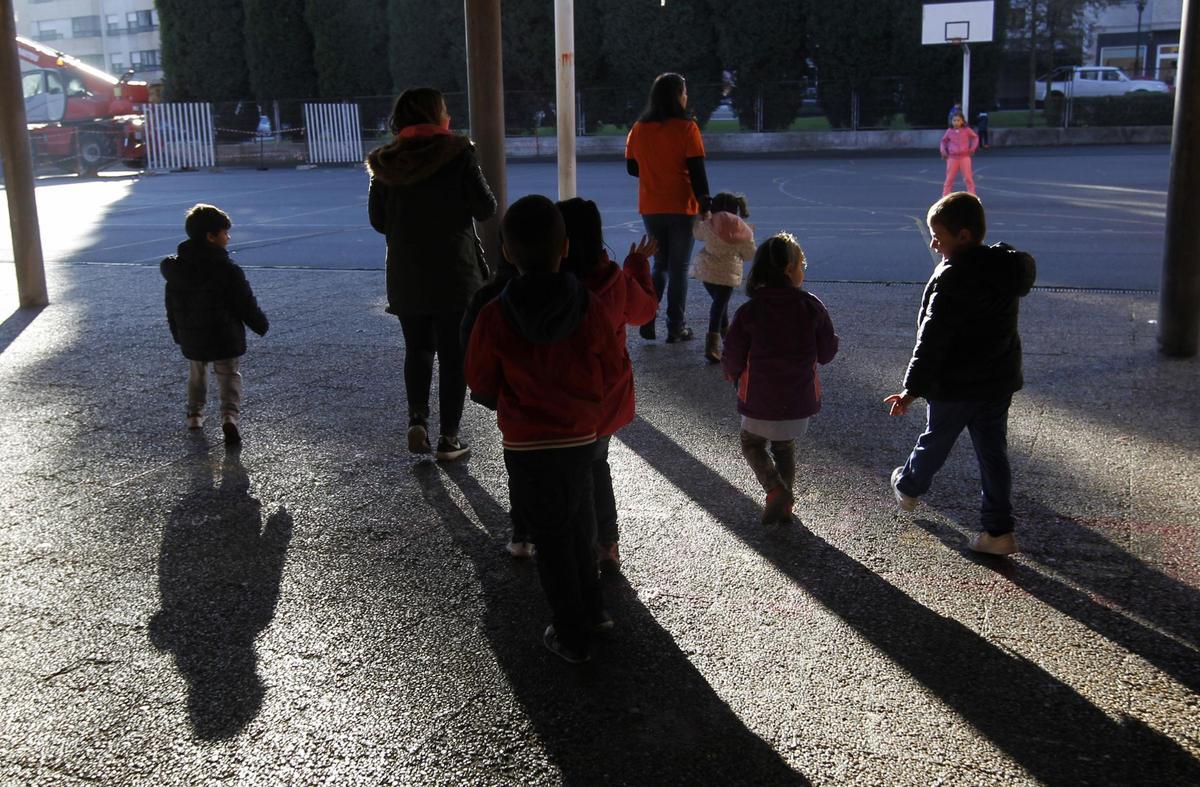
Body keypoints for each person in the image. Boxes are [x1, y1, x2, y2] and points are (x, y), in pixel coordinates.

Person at [465, 195, 624, 664]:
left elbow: (479, 377)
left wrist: (505, 401)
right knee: (578, 523)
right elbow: (612, 365)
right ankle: (594, 609)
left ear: (508, 253)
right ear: (565, 247)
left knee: (550, 537)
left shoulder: (495, 313)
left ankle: (572, 634)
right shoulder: (588, 305)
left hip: (526, 441)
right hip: (580, 435)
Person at [884, 192, 1036, 556]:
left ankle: (908, 486)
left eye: (939, 236)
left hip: (955, 384)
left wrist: (911, 389)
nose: (934, 243)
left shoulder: (953, 278)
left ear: (963, 235)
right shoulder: (1004, 268)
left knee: (935, 439)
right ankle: (998, 531)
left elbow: (933, 338)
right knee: (993, 453)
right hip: (997, 381)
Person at [367, 87, 498, 461]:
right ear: (439, 116)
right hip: (454, 271)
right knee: (453, 355)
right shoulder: (459, 154)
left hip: (407, 273)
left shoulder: (385, 162)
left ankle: (417, 419)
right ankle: (450, 438)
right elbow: (485, 207)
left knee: (418, 348)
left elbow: (378, 221)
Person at [556, 197, 658, 571]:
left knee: (559, 469)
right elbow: (645, 309)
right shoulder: (613, 280)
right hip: (603, 397)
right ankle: (607, 544)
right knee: (597, 465)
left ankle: (556, 540)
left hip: (559, 397)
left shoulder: (547, 283)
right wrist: (638, 265)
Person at [722, 234, 839, 524]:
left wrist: (731, 373)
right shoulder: (811, 306)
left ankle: (775, 489)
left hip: (758, 403)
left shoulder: (749, 311)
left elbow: (734, 354)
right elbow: (826, 353)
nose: (803, 270)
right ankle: (785, 501)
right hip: (799, 404)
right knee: (784, 446)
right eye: (802, 265)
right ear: (789, 269)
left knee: (751, 444)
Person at [162, 204, 269, 446]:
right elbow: (244, 302)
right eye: (225, 233)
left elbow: (171, 304)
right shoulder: (227, 268)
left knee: (197, 373)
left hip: (192, 334)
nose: (228, 237)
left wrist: (177, 333)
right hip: (224, 332)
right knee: (228, 373)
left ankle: (194, 415)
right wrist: (260, 324)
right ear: (211, 237)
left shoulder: (177, 269)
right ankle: (229, 416)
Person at [625, 72, 712, 344]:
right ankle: (676, 326)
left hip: (651, 205)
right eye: (684, 92)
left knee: (658, 265)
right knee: (678, 268)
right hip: (681, 206)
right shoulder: (687, 128)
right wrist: (706, 203)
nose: (687, 97)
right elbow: (697, 171)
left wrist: (655, 172)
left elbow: (631, 167)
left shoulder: (639, 128)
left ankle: (648, 321)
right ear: (677, 96)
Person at [691, 191, 757, 363]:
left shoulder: (709, 224)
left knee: (720, 305)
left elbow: (697, 234)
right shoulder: (743, 229)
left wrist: (702, 216)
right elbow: (750, 254)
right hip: (729, 274)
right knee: (719, 305)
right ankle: (712, 344)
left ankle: (729, 342)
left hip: (706, 271)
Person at [940, 112, 980, 196]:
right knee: (949, 179)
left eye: (958, 120)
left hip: (964, 157)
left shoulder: (966, 130)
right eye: (954, 120)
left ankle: (972, 196)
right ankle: (945, 197)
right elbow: (943, 141)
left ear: (962, 121)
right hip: (952, 158)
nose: (956, 122)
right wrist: (943, 151)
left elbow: (975, 137)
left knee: (968, 178)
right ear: (951, 121)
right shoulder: (949, 131)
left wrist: (972, 148)